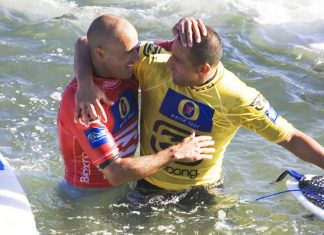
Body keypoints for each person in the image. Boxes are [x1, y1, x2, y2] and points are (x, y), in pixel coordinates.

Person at [74, 15, 324, 193]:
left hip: (202, 192)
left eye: (178, 60)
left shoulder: (239, 97)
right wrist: (84, 84)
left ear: (203, 68)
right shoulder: (154, 62)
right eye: (171, 53)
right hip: (147, 183)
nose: (169, 62)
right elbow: (89, 43)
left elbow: (291, 138)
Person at [57, 15, 215, 199]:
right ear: (101, 54)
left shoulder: (125, 69)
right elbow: (115, 173)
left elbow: (83, 42)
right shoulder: (85, 103)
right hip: (87, 197)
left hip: (127, 183)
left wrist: (185, 31)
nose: (137, 57)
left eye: (136, 49)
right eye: (129, 53)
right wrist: (176, 152)